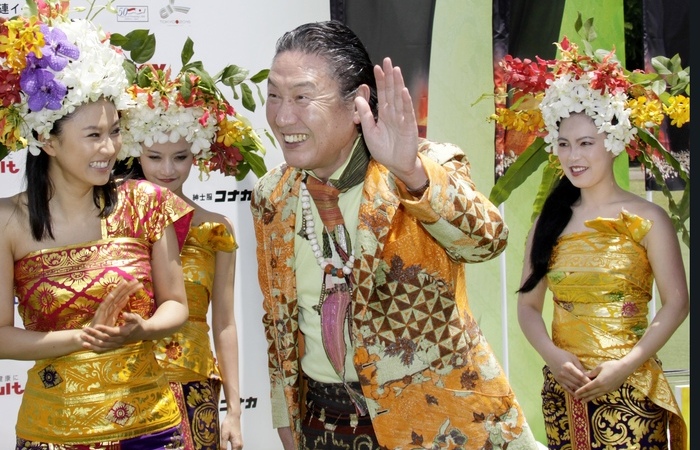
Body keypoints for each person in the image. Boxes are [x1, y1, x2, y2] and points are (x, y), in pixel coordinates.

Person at [250, 20, 538, 449]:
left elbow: (488, 241)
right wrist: (287, 423)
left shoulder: (421, 166)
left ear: (358, 104)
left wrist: (411, 173)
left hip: (437, 423)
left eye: (302, 97)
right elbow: (278, 324)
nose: (282, 115)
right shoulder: (273, 194)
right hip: (322, 424)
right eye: (274, 95)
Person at [0, 7, 193, 449]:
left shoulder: (145, 202)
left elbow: (176, 307)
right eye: (93, 136)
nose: (110, 148)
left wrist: (139, 329)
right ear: (47, 140)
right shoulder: (7, 221)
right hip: (53, 431)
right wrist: (82, 338)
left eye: (115, 131)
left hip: (151, 427)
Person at [511, 39, 689, 449]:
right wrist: (555, 359)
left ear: (614, 143)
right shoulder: (548, 222)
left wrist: (625, 366)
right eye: (564, 143)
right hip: (564, 394)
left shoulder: (647, 219)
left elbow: (677, 303)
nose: (573, 155)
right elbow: (528, 306)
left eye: (586, 143)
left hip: (632, 390)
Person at [116, 58, 266, 450]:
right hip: (121, 385)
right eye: (154, 157)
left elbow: (225, 323)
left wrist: (234, 411)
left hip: (195, 386)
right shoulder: (111, 220)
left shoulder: (214, 229)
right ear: (135, 153)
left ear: (196, 156)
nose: (168, 169)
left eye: (180, 157)